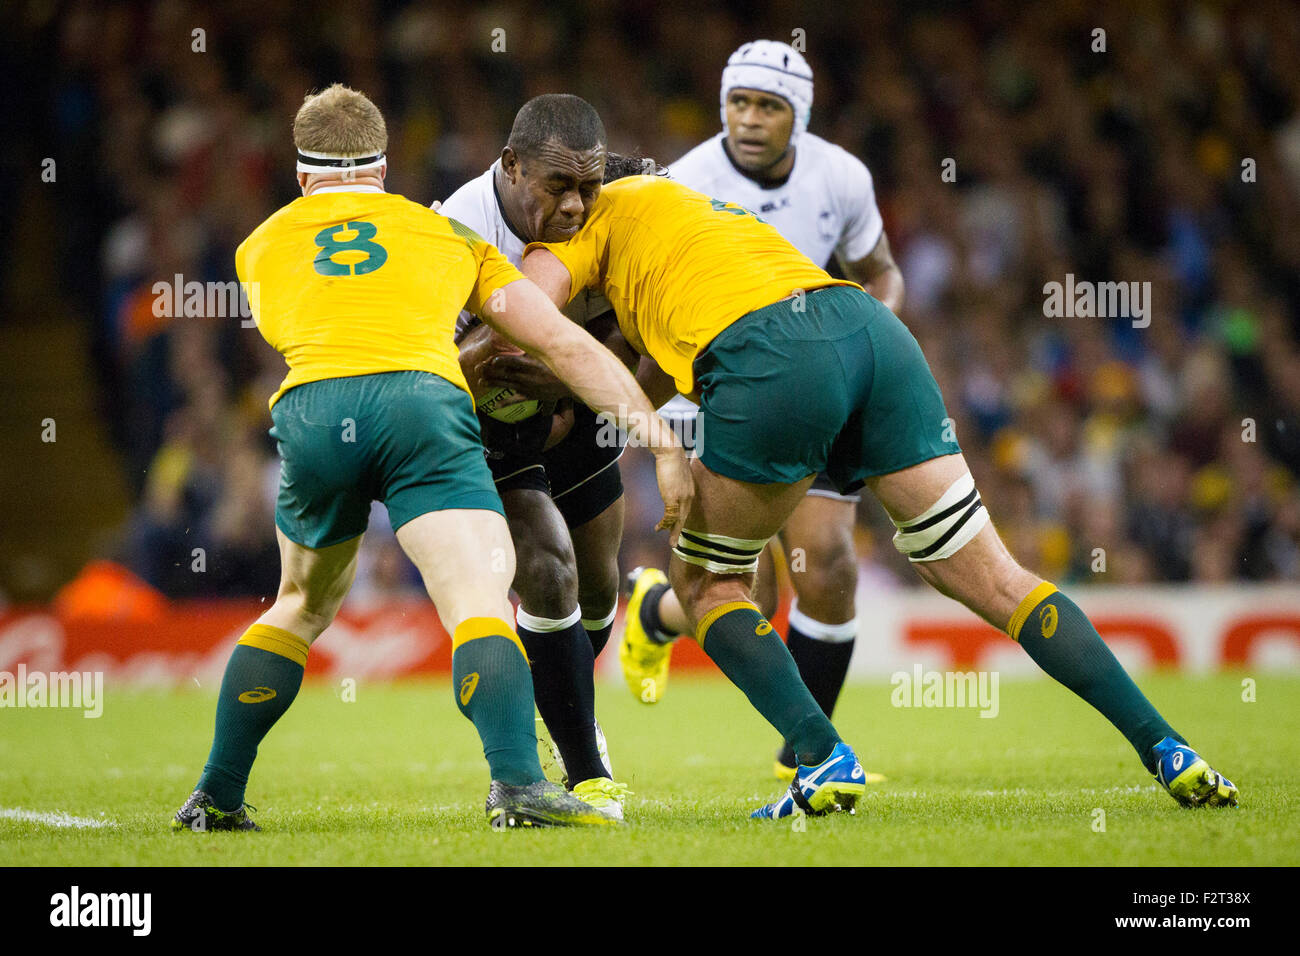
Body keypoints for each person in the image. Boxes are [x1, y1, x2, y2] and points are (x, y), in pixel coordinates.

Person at [522, 172, 1238, 816]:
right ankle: (1170, 748)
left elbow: (537, 320)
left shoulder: (582, 228)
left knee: (710, 582)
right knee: (994, 579)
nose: (567, 208)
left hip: (773, 359)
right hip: (868, 331)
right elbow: (645, 366)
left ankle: (821, 754)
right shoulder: (685, 214)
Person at [170, 84, 691, 832]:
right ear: (383, 171)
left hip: (314, 409)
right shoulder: (444, 233)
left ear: (301, 177)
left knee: (298, 603)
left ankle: (216, 794)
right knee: (479, 599)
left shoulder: (257, 246)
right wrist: (660, 441)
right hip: (424, 404)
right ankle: (517, 783)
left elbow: (295, 326)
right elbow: (562, 342)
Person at [623, 39, 901, 784]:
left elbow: (881, 275)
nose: (748, 119)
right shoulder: (683, 183)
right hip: (711, 390)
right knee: (750, 589)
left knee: (831, 564)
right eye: (737, 102)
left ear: (799, 116)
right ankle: (656, 616)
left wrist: (869, 357)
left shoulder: (841, 177)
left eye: (768, 106)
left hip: (812, 383)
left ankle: (803, 758)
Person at [438, 95, 634, 816]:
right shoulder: (454, 232)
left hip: (578, 404)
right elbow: (422, 371)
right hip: (488, 431)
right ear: (511, 166)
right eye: (560, 187)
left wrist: (567, 374)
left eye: (590, 186)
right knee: (548, 569)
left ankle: (565, 706)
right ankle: (586, 769)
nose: (580, 206)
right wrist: (483, 355)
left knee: (598, 586)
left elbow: (635, 332)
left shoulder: (624, 201)